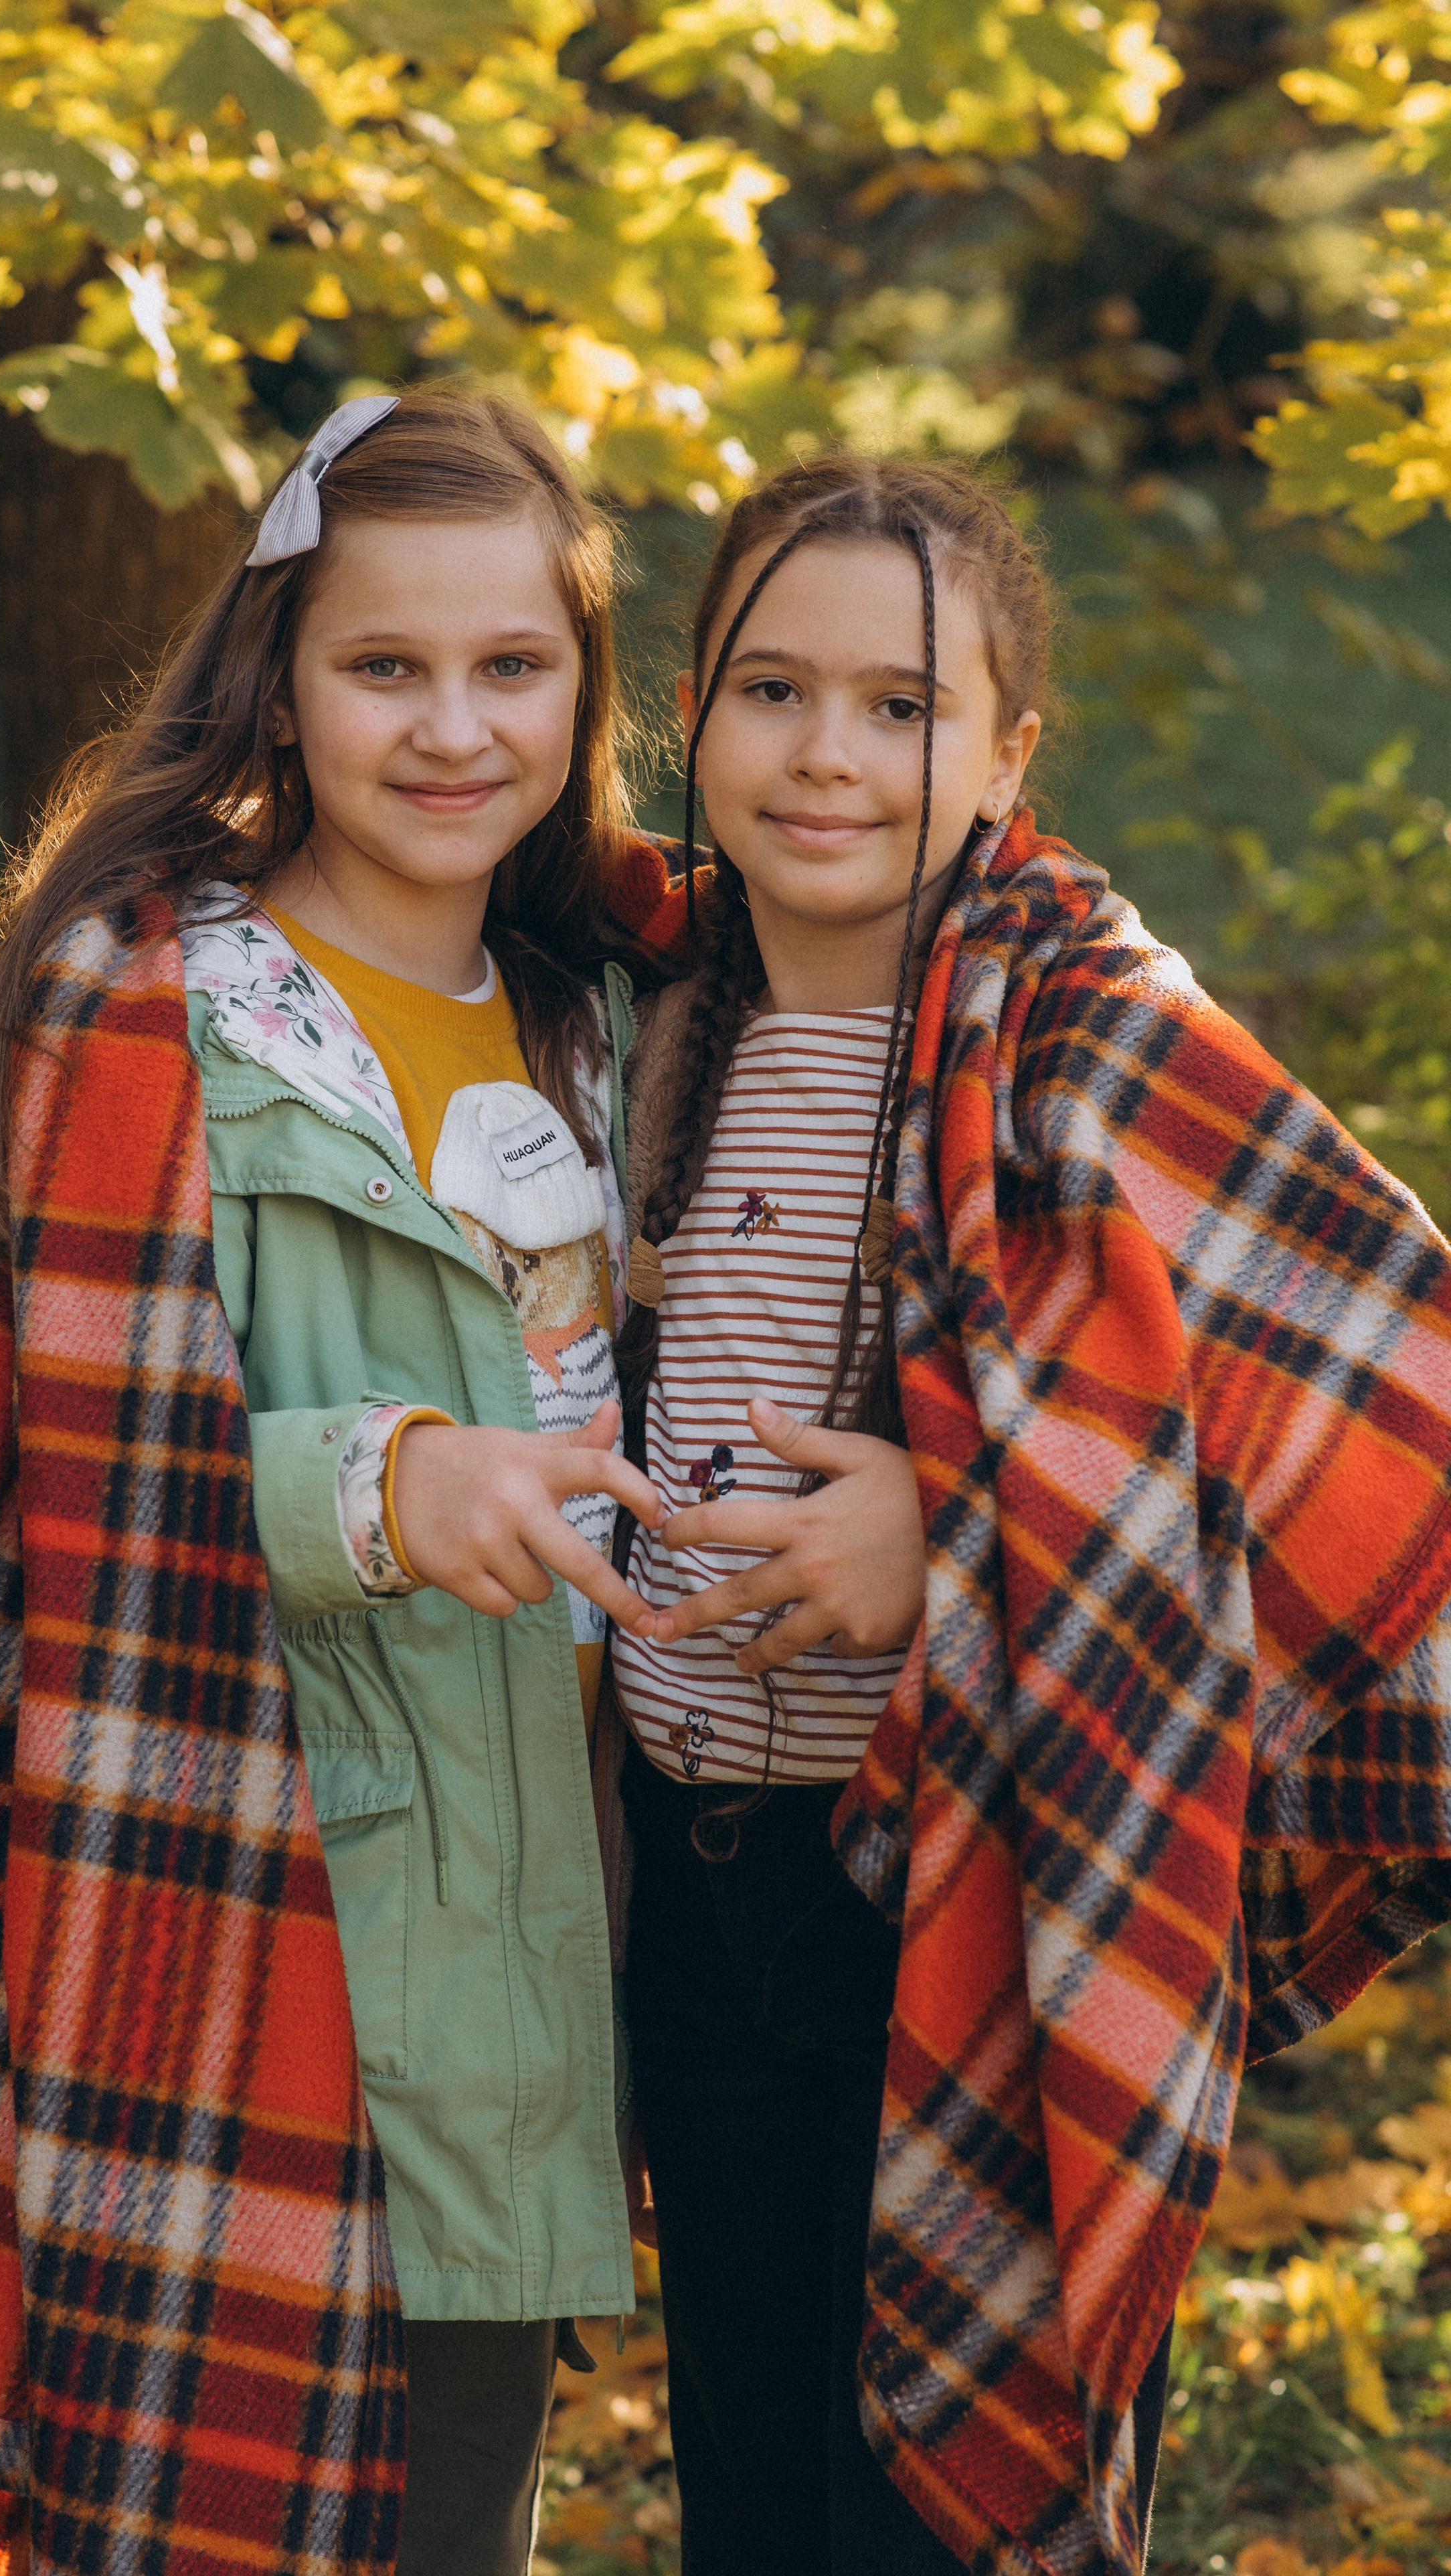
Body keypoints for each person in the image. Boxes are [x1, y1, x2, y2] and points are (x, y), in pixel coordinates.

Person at [0, 386, 676, 2576]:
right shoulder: (156, 1015)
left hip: (545, 1938)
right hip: (233, 1926)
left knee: (456, 2517)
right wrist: (378, 1485)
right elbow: (37, 1487)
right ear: (281, 674)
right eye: (385, 667)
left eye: (512, 666)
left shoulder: (610, 1011)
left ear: (584, 687)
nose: (453, 725)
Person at [602, 455, 1451, 2576]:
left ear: (1007, 753)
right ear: (689, 714)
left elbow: (1379, 1370)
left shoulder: (1077, 1017)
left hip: (964, 1908)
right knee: (755, 2504)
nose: (827, 755)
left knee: (948, 2515)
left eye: (901, 707)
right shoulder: (648, 1013)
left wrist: (951, 1534)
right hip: (702, 1904)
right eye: (771, 690)